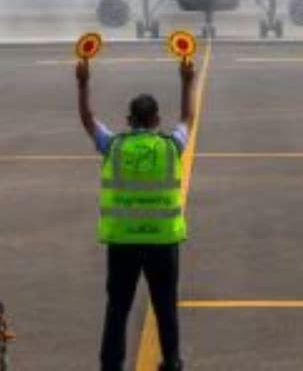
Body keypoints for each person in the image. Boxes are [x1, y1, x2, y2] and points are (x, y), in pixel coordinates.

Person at [78, 52, 197, 371]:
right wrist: (187, 82)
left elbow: (88, 119)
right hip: (162, 242)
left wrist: (83, 82)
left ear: (129, 120)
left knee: (118, 308)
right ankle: (171, 361)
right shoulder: (170, 146)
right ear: (157, 120)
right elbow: (188, 118)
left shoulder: (114, 146)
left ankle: (111, 365)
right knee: (165, 306)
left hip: (123, 242)